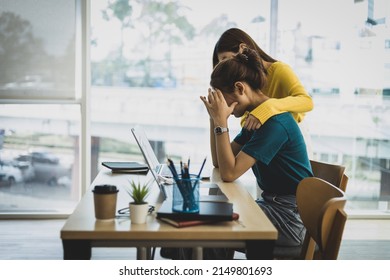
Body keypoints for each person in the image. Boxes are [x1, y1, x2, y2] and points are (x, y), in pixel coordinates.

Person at [200, 48, 313, 258]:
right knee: (210, 221)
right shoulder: (256, 118)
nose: (226, 109)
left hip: (290, 220)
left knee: (214, 228)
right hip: (274, 207)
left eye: (224, 101)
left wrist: (221, 121)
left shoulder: (274, 123)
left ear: (240, 88)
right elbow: (219, 161)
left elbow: (230, 173)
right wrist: (213, 118)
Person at [212, 28, 314, 158]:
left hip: (290, 142)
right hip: (265, 138)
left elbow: (307, 101)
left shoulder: (279, 70)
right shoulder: (246, 86)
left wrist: (267, 107)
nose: (226, 68)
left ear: (242, 48)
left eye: (226, 60)